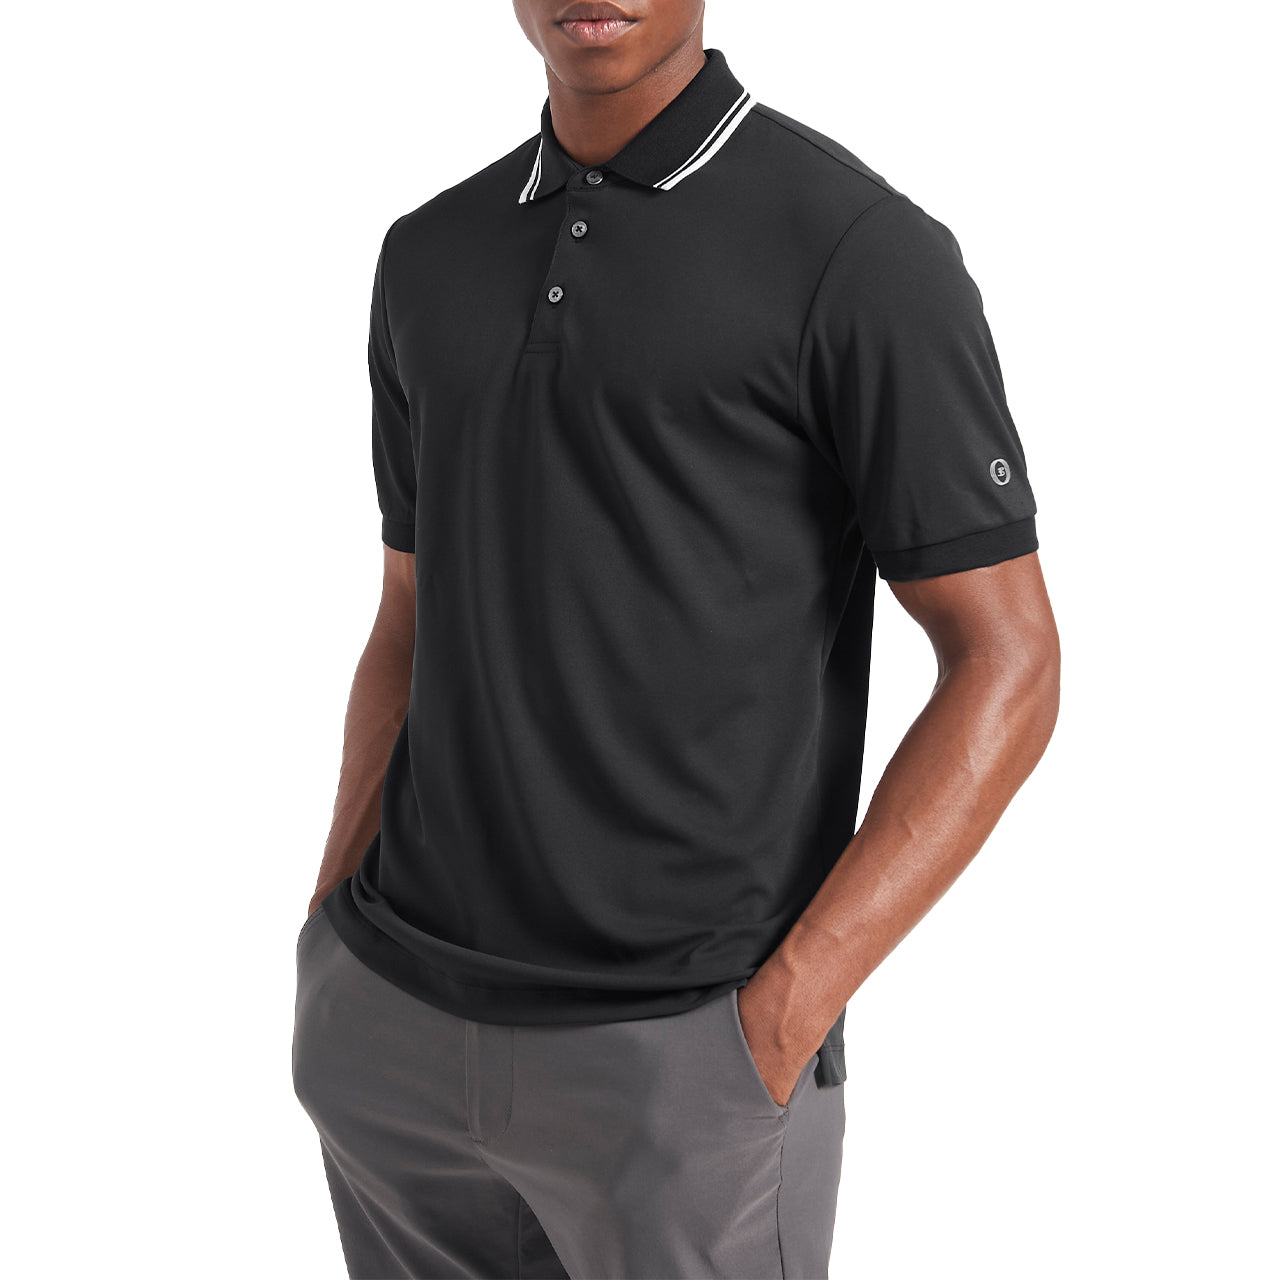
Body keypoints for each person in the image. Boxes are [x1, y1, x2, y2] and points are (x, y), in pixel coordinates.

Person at [291, 2, 1061, 1276]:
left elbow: (1008, 659)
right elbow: (411, 611)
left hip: (680, 1064)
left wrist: (786, 1008)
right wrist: (332, 914)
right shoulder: (427, 253)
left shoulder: (859, 253)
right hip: (392, 1029)